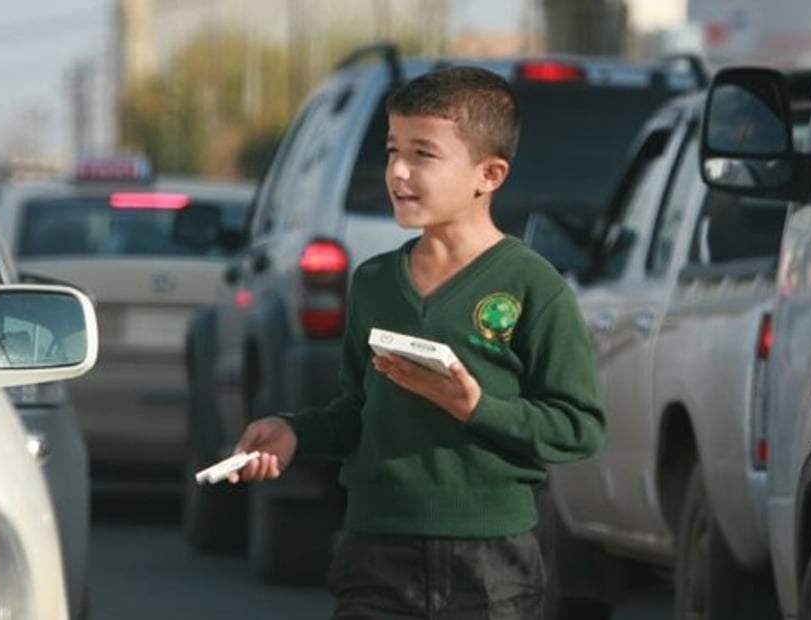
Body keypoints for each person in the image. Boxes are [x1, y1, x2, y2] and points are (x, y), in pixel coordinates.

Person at [230, 65, 606, 619]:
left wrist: (476, 408)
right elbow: (358, 411)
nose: (398, 172)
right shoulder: (375, 282)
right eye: (391, 150)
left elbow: (579, 427)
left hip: (491, 563)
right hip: (375, 553)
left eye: (423, 155)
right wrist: (293, 432)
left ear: (489, 174)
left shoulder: (534, 286)